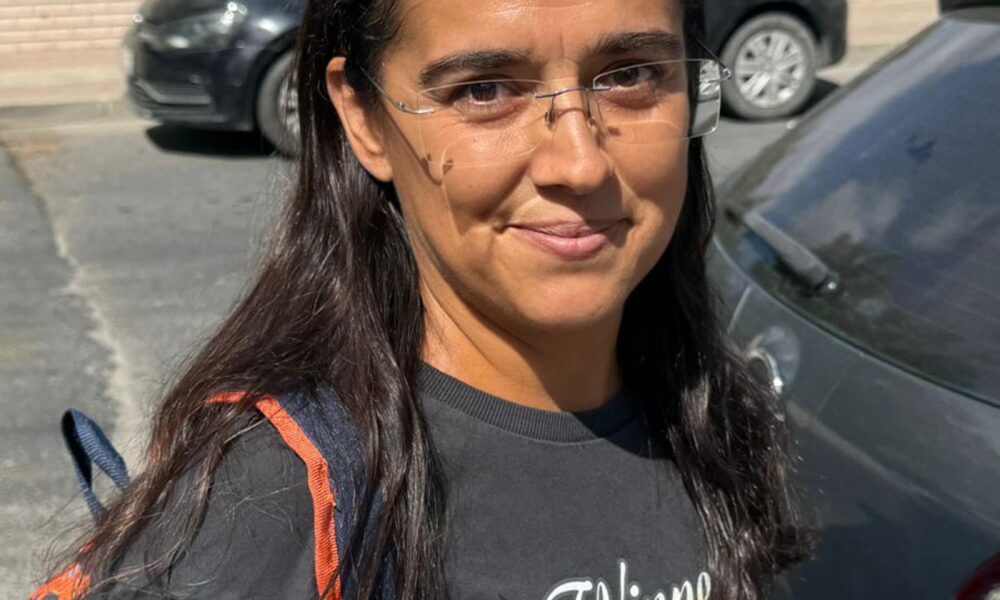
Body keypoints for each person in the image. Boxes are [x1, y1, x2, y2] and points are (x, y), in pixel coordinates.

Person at [34, 0, 811, 598]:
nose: (579, 163)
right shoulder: (278, 505)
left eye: (630, 75)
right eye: (485, 90)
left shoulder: (713, 409)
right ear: (364, 119)